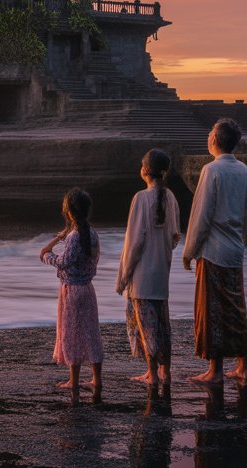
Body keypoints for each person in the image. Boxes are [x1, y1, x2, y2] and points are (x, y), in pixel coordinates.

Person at [182, 117, 247, 386]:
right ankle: (243, 366)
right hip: (235, 249)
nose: (208, 136)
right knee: (236, 308)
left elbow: (201, 215)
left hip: (213, 251)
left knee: (212, 310)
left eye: (210, 132)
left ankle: (214, 370)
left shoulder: (211, 170)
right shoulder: (244, 171)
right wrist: (245, 236)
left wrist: (189, 251)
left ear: (214, 139)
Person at [117, 149, 181, 386]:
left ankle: (152, 374)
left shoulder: (141, 198)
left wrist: (123, 277)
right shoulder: (170, 197)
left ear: (144, 170)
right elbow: (175, 236)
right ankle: (166, 371)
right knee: (162, 325)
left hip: (143, 276)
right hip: (161, 273)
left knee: (147, 327)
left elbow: (134, 243)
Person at [40, 188, 104, 404]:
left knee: (72, 335)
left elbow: (63, 262)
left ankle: (73, 382)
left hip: (72, 292)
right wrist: (61, 238)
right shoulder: (92, 234)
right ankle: (97, 380)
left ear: (69, 212)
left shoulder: (74, 237)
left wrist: (47, 255)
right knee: (91, 334)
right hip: (88, 290)